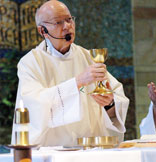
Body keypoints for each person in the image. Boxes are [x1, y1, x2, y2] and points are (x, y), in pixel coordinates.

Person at [11, 0, 129, 146]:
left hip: (89, 148)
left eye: (69, 19)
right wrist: (78, 82)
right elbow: (34, 107)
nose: (67, 26)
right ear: (43, 31)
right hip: (53, 151)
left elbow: (117, 96)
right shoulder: (31, 62)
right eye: (58, 22)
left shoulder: (87, 57)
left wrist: (110, 104)